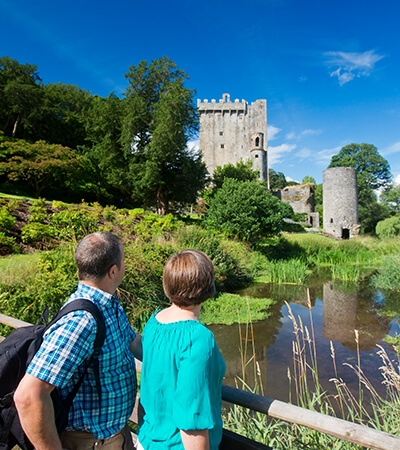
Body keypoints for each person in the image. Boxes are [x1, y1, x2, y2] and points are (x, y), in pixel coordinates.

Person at [14, 232, 142, 450]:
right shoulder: (81, 322)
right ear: (113, 271)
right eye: (123, 261)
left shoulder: (109, 306)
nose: (124, 266)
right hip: (89, 442)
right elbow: (28, 396)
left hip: (116, 435)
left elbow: (134, 343)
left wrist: (171, 349)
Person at [137, 249, 226, 450]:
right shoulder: (198, 338)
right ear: (207, 286)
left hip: (147, 440)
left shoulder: (154, 322)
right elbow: (192, 418)